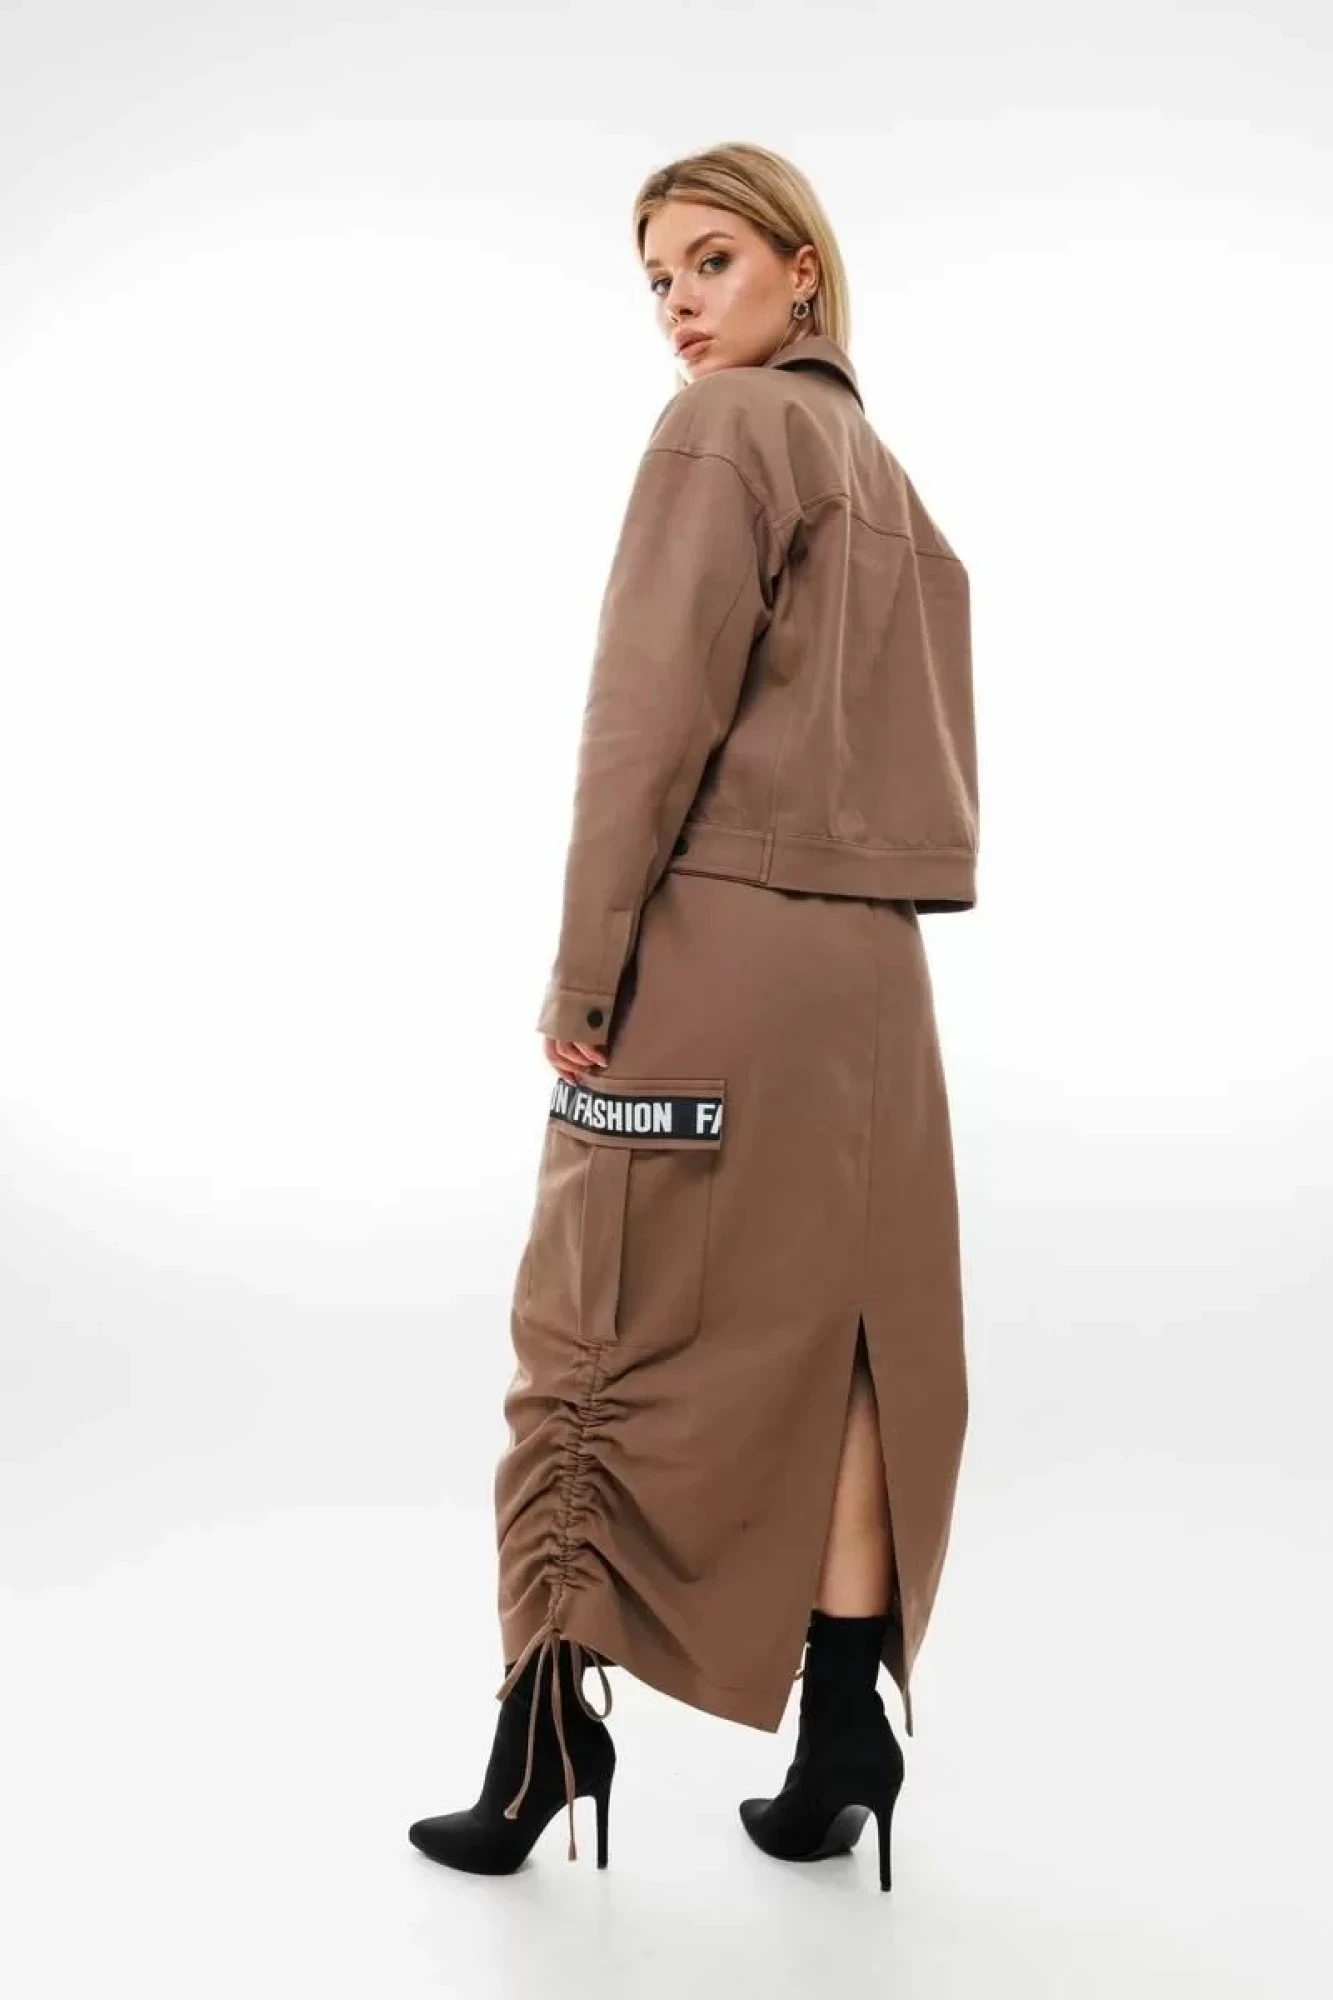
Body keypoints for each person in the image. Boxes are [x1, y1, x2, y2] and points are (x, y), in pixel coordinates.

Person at [408, 140, 978, 1891]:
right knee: (852, 1339)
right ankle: (845, 1737)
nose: (676, 304)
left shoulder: (723, 433)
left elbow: (643, 724)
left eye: (711, 261)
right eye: (657, 278)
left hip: (719, 946)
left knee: (598, 1325)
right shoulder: (887, 478)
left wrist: (585, 970)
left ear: (803, 267)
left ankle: (540, 1754)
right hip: (872, 981)